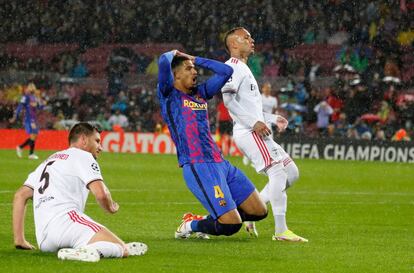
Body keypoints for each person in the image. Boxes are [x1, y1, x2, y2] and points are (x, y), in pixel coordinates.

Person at [157, 50, 267, 239]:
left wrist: (195, 59)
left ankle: (213, 217)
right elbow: (163, 59)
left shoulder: (201, 93)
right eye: (189, 68)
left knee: (259, 211)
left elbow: (226, 71)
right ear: (175, 75)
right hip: (198, 164)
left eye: (194, 68)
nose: (195, 72)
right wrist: (174, 53)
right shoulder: (169, 93)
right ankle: (191, 224)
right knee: (231, 225)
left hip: (220, 163)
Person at [12, 122, 147, 262]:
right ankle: (94, 250)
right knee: (121, 249)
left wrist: (20, 239)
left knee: (113, 244)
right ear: (83, 140)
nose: (100, 147)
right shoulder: (83, 156)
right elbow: (101, 194)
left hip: (44, 239)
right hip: (66, 222)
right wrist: (111, 207)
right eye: (97, 141)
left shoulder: (49, 160)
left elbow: (20, 196)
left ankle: (99, 247)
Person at [222, 27, 307, 242]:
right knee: (277, 172)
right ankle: (281, 231)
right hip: (248, 131)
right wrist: (255, 122)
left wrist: (271, 118)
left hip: (258, 128)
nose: (251, 40)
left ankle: (253, 210)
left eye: (251, 37)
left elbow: (250, 107)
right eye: (246, 38)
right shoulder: (232, 67)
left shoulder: (245, 68)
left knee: (292, 173)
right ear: (233, 44)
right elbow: (228, 101)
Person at [243, 81, 278, 166]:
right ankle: (247, 156)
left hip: (267, 123)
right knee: (254, 141)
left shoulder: (273, 100)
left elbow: (274, 110)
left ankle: (266, 160)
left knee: (270, 141)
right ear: (262, 89)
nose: (267, 89)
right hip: (258, 122)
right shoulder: (258, 97)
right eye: (266, 88)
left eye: (269, 88)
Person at [9, 83, 44, 160]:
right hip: (29, 119)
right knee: (33, 135)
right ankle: (26, 151)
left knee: (34, 135)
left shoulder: (35, 97)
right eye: (30, 87)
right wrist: (15, 116)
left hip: (34, 119)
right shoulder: (26, 97)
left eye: (32, 87)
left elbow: (41, 107)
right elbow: (20, 107)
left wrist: (39, 103)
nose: (31, 89)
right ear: (28, 89)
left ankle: (23, 149)